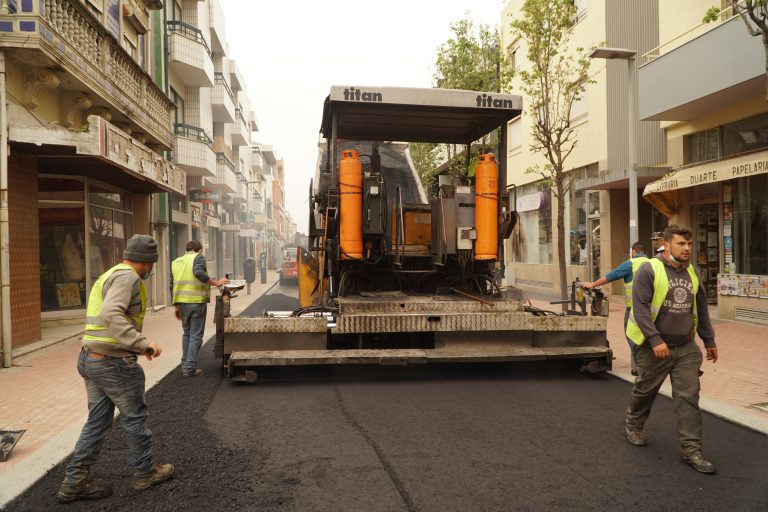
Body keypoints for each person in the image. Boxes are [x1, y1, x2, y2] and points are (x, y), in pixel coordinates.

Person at [58, 234, 174, 503]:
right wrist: (142, 343)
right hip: (113, 363)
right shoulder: (129, 277)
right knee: (135, 418)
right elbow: (112, 313)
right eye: (153, 264)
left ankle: (74, 482)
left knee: (97, 423)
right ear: (148, 262)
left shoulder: (110, 273)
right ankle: (145, 474)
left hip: (91, 359)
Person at [624, 224, 719, 474]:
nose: (687, 248)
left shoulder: (693, 272)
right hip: (653, 346)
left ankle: (691, 450)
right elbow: (641, 308)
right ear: (667, 245)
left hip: (685, 347)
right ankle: (633, 424)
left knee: (688, 397)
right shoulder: (649, 269)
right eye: (681, 244)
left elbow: (701, 309)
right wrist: (655, 340)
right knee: (646, 390)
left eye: (689, 244)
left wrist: (708, 340)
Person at [581, 241, 650, 375]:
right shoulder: (653, 263)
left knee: (631, 335)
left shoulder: (630, 264)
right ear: (645, 252)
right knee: (647, 336)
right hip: (653, 308)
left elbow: (611, 276)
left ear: (633, 252)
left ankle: (642, 366)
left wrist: (592, 284)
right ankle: (641, 366)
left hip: (634, 309)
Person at [171, 240, 229, 377]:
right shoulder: (199, 258)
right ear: (200, 250)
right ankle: (189, 368)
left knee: (187, 334)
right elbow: (198, 273)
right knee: (196, 336)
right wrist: (216, 283)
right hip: (196, 302)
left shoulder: (176, 262)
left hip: (182, 303)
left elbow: (171, 284)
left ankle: (185, 364)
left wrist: (176, 305)